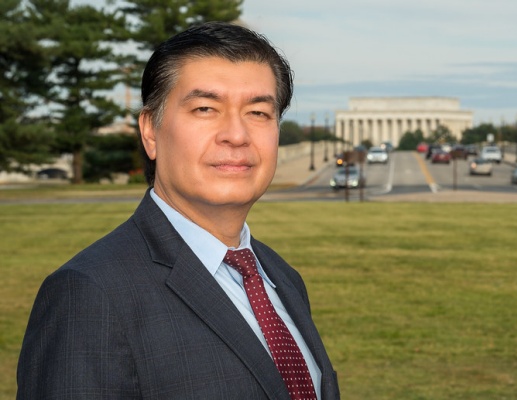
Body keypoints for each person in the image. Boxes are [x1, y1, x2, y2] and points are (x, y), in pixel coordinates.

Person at [17, 21, 340, 400]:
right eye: (206, 108)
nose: (236, 135)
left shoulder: (280, 277)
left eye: (258, 113)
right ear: (151, 132)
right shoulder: (90, 295)